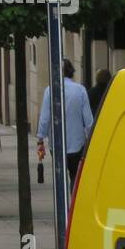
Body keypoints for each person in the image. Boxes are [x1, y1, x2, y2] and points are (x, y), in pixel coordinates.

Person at [38, 59, 94, 188]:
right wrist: (89, 137)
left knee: (60, 175)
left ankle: (62, 203)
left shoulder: (50, 90)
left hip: (56, 144)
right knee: (75, 174)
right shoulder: (80, 90)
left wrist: (41, 138)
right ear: (71, 72)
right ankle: (72, 204)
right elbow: (88, 119)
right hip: (77, 142)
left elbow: (45, 118)